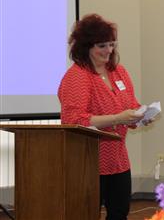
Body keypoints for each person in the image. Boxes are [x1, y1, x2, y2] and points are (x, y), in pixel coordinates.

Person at [58, 14, 148, 220]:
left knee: (119, 213)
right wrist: (118, 118)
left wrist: (141, 115)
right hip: (88, 160)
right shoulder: (77, 76)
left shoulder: (119, 72)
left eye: (111, 44)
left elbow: (130, 105)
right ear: (85, 47)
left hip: (118, 158)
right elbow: (74, 119)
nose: (108, 50)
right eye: (101, 46)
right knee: (86, 213)